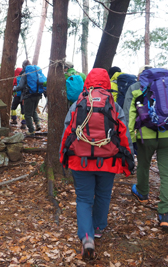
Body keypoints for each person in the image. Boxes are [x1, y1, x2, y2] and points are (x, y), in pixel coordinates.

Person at [59, 68, 134, 259]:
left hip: (80, 161)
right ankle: (99, 228)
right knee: (103, 195)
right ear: (107, 83)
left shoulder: (78, 104)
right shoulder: (113, 105)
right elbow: (124, 134)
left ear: (88, 82)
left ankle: (87, 237)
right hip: (108, 161)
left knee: (84, 199)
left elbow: (67, 132)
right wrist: (129, 160)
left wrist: (63, 157)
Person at [128, 67, 168, 228]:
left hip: (146, 135)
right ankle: (165, 214)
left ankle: (142, 193)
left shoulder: (140, 90)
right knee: (167, 173)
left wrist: (131, 139)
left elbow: (132, 114)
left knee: (144, 165)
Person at [13, 60, 45, 136]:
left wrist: (14, 88)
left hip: (29, 96)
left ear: (24, 66)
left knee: (27, 114)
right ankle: (38, 124)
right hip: (38, 95)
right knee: (33, 111)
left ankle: (31, 131)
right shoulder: (36, 72)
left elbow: (20, 86)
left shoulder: (25, 74)